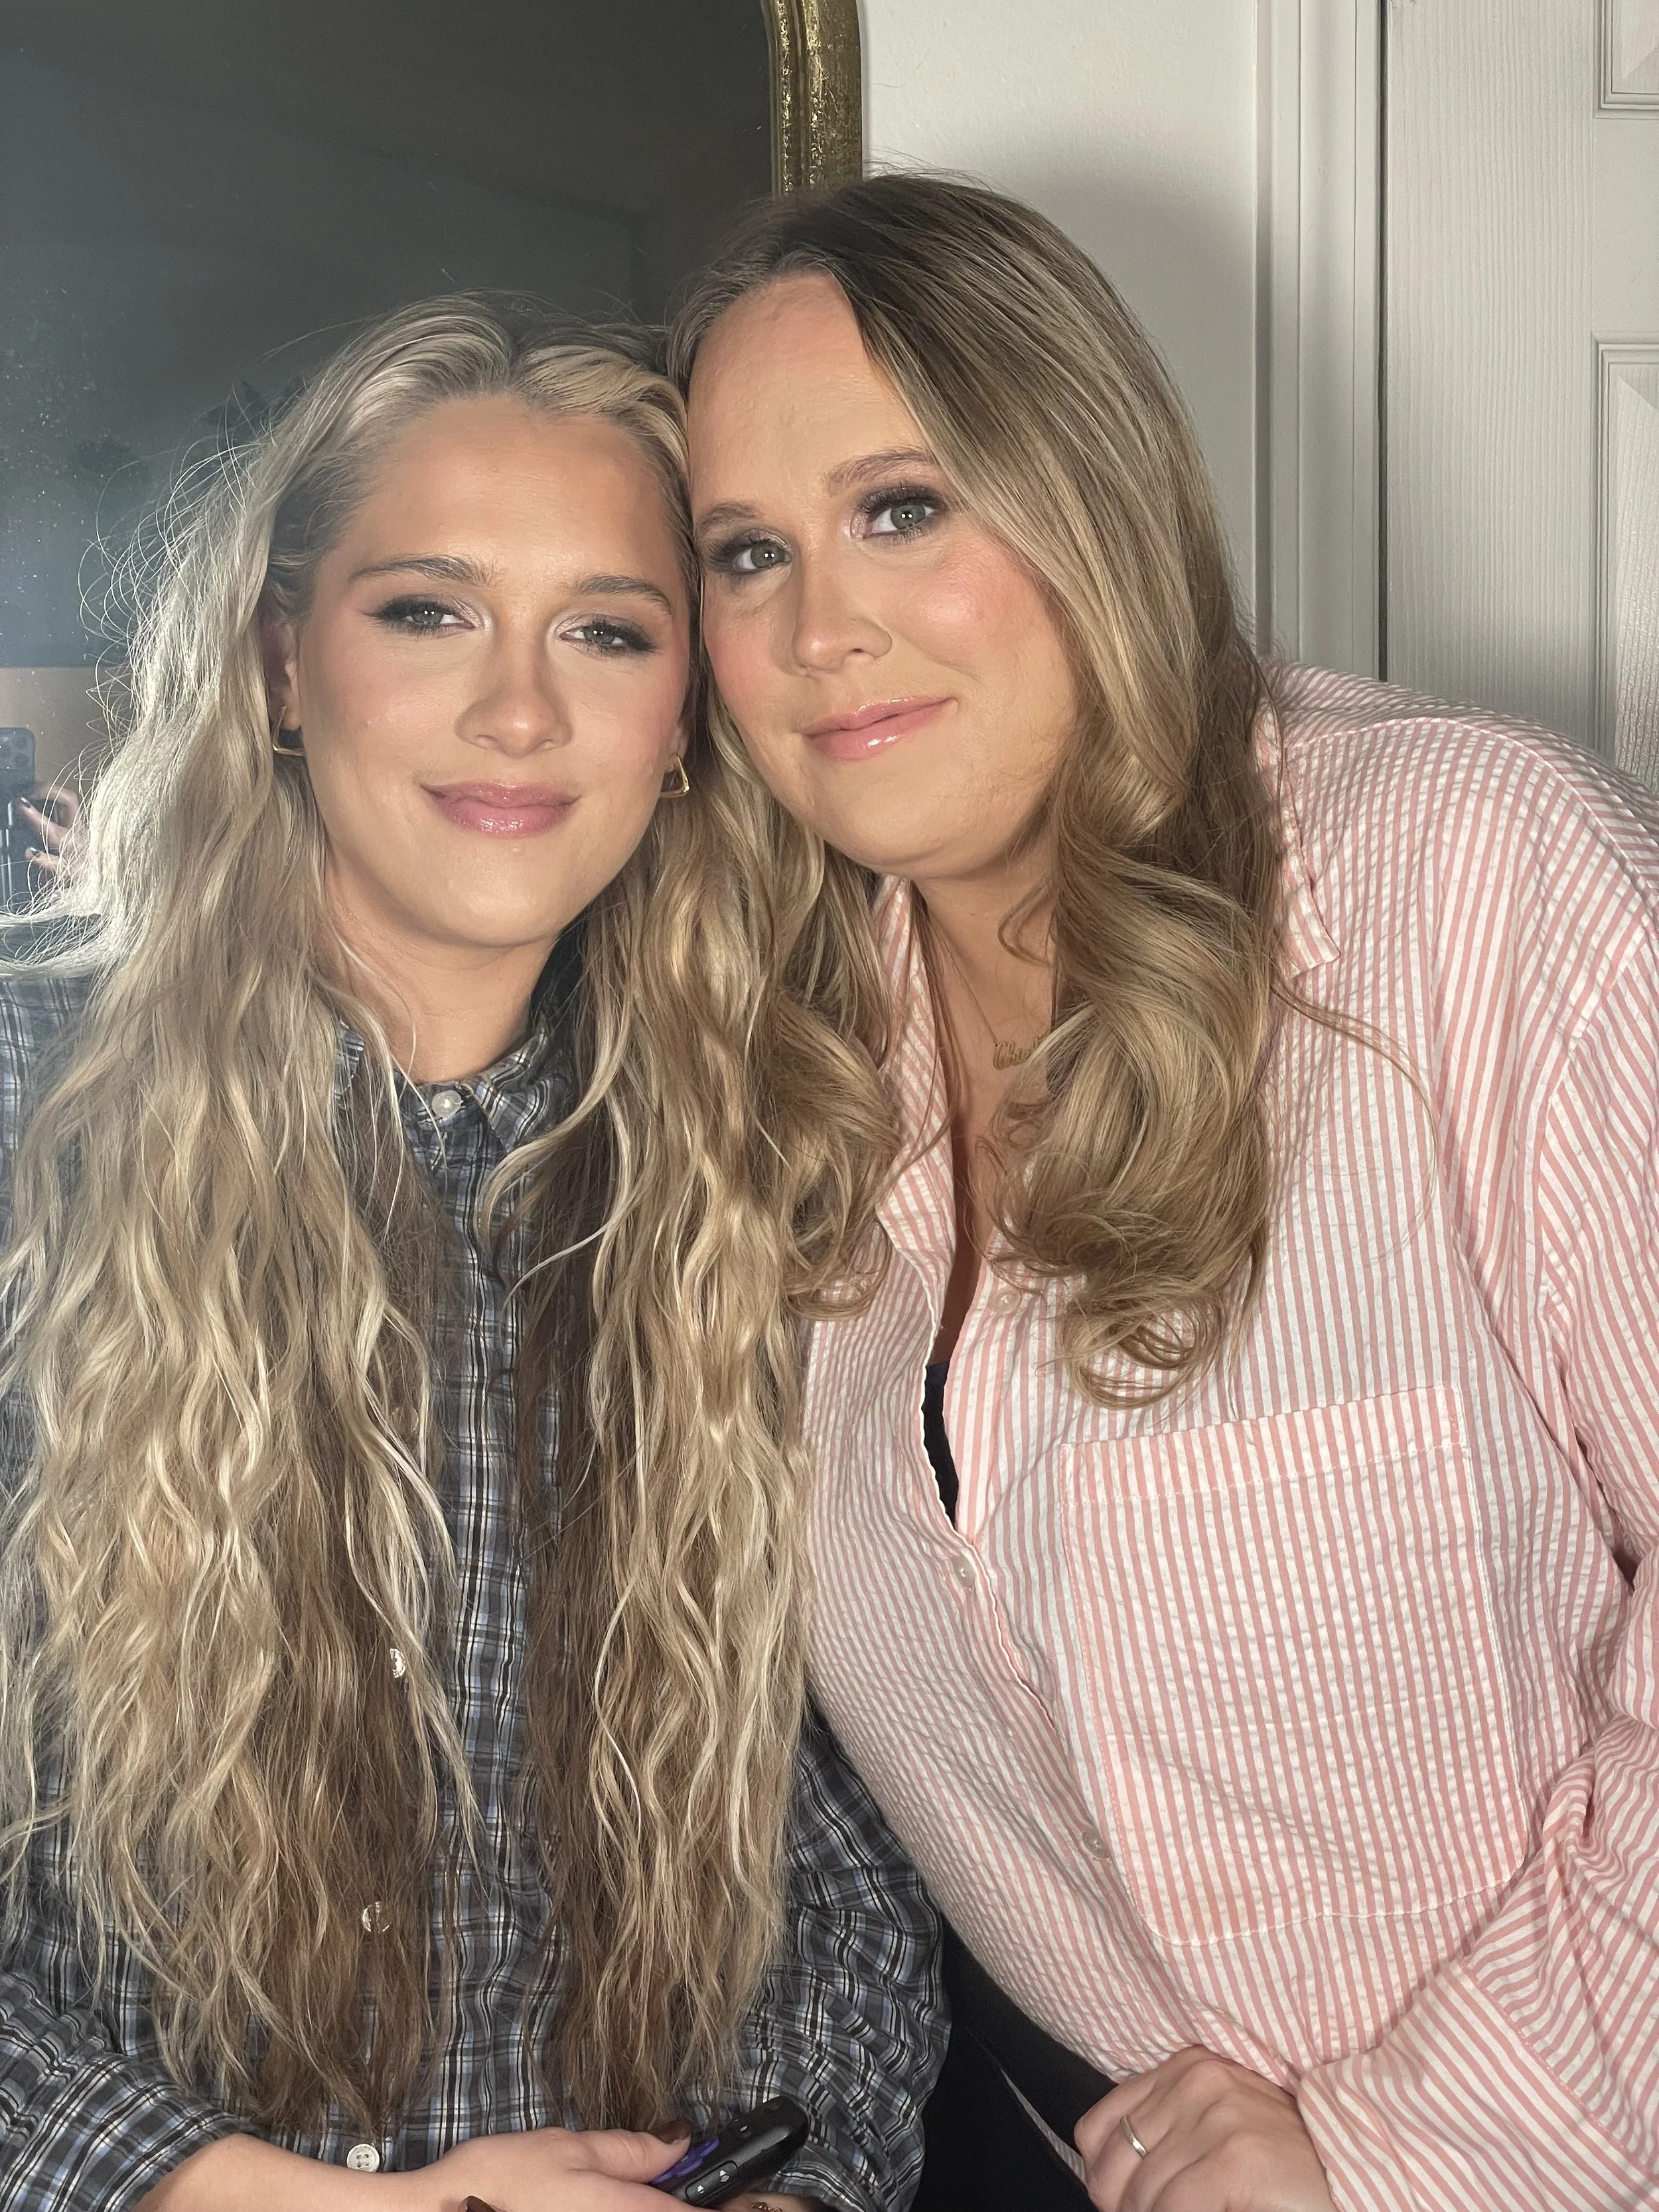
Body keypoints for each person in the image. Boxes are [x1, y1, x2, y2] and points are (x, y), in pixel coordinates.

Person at [667, 175, 1659, 2211]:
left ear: (1088, 488)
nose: (813, 627)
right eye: (743, 553)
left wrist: (1395, 2144)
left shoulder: (1464, 880)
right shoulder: (767, 1069)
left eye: (901, 507)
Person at [0, 298, 942, 2212]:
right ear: (281, 661)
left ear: (687, 713)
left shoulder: (770, 1171)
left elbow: (845, 1834)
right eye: (427, 611)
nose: (521, 710)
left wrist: (790, 2182)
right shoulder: (32, 1098)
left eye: (606, 629)